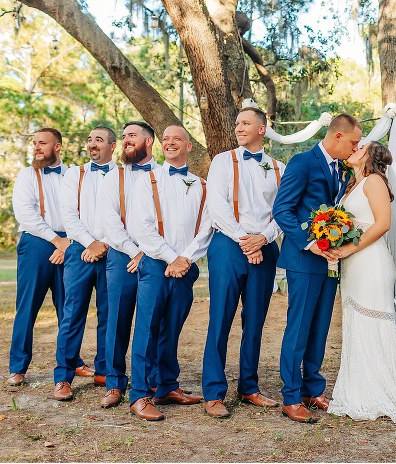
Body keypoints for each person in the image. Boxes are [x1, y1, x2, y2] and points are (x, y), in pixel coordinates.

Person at [272, 113, 362, 423]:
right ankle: (291, 396)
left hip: (331, 261)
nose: (356, 148)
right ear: (337, 137)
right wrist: (311, 243)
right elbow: (281, 210)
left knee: (321, 327)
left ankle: (313, 388)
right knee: (298, 328)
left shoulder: (344, 169)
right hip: (304, 259)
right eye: (353, 142)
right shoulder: (302, 162)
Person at [201, 107, 285, 418]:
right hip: (228, 246)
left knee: (255, 322)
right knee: (220, 318)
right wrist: (244, 240)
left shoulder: (280, 168)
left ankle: (249, 387)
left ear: (262, 129)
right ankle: (213, 391)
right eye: (237, 123)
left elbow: (283, 212)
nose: (239, 127)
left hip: (264, 247)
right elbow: (217, 206)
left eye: (246, 123)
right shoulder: (223, 161)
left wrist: (262, 238)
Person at [126, 125, 212, 421]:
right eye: (166, 140)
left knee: (172, 330)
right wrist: (171, 257)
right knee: (147, 329)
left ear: (189, 146)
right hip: (155, 264)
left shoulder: (201, 185)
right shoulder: (147, 180)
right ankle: (139, 394)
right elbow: (142, 228)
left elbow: (206, 226)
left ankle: (166, 386)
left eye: (177, 139)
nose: (171, 143)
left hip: (185, 268)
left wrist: (185, 258)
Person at [327, 141, 396, 423]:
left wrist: (349, 249)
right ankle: (358, 389)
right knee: (354, 322)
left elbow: (382, 224)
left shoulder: (375, 181)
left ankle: (385, 391)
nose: (355, 147)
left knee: (373, 321)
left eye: (361, 146)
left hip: (371, 262)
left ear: (370, 156)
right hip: (352, 264)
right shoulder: (354, 183)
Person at [9, 128, 89, 386]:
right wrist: (57, 241)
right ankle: (18, 366)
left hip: (72, 240)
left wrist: (69, 243)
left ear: (58, 147)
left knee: (70, 306)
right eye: (34, 143)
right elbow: (26, 215)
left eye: (42, 143)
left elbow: (83, 211)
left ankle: (72, 361)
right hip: (37, 243)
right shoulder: (27, 175)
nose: (36, 148)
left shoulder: (75, 175)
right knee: (28, 305)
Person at [98, 121, 162, 409]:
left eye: (131, 136)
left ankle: (150, 380)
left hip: (156, 257)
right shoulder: (114, 177)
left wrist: (148, 252)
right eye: (123, 137)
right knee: (117, 321)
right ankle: (114, 383)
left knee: (153, 323)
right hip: (122, 256)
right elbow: (109, 221)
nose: (125, 141)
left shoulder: (164, 174)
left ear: (148, 141)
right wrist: (135, 251)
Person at [53, 126, 116, 401]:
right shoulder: (74, 174)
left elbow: (127, 215)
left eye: (98, 140)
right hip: (80, 251)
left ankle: (104, 370)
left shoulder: (123, 175)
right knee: (72, 315)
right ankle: (63, 377)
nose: (92, 144)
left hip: (114, 251)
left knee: (110, 314)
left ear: (112, 146)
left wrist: (106, 245)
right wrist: (91, 244)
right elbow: (69, 215)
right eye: (89, 140)